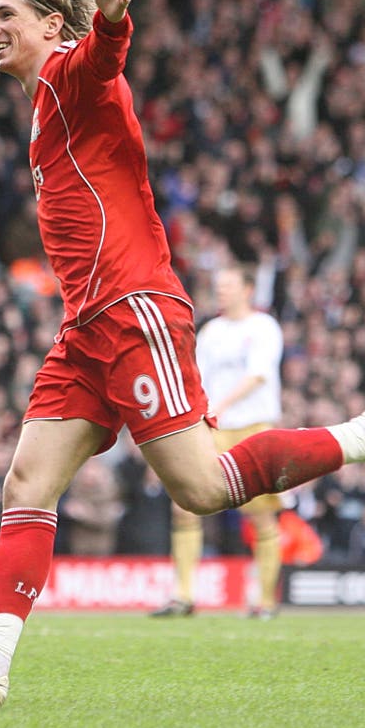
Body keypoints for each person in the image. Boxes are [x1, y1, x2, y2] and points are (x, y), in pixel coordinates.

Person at [0, 0, 365, 708]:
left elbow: (104, 58)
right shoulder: (44, 103)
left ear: (53, 27)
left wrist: (114, 18)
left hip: (133, 309)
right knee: (26, 482)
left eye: (5, 15)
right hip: (85, 328)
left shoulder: (68, 74)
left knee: (202, 487)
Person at [151, 263, 285, 619]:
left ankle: (265, 601)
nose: (221, 291)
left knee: (261, 515)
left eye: (228, 284)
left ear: (248, 289)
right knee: (184, 504)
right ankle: (183, 595)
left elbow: (258, 375)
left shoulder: (263, 327)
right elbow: (197, 377)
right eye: (218, 285)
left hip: (253, 428)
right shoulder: (211, 332)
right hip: (214, 429)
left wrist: (219, 405)